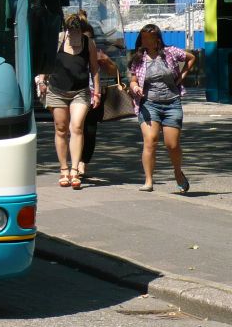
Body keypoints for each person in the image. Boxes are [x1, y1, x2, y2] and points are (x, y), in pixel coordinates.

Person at [126, 23, 196, 193]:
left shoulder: (170, 52)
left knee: (172, 145)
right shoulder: (138, 58)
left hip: (172, 103)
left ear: (156, 39)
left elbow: (191, 57)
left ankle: (178, 173)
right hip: (148, 104)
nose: (144, 41)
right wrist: (135, 87)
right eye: (142, 38)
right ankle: (149, 180)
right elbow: (133, 79)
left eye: (147, 38)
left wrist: (182, 76)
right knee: (150, 141)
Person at [35, 13, 100, 189]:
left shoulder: (89, 43)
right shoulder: (58, 41)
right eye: (71, 31)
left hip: (80, 91)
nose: (74, 35)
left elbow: (94, 69)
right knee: (61, 128)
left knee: (77, 126)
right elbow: (45, 63)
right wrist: (42, 81)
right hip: (57, 90)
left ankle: (75, 170)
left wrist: (97, 93)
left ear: (82, 30)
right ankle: (63, 169)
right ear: (66, 29)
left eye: (77, 31)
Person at [77, 11, 120, 177]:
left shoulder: (96, 51)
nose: (86, 43)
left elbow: (113, 71)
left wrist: (106, 61)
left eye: (89, 40)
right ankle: (74, 162)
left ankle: (83, 162)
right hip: (72, 95)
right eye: (83, 39)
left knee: (89, 132)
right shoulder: (68, 50)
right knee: (74, 129)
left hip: (93, 96)